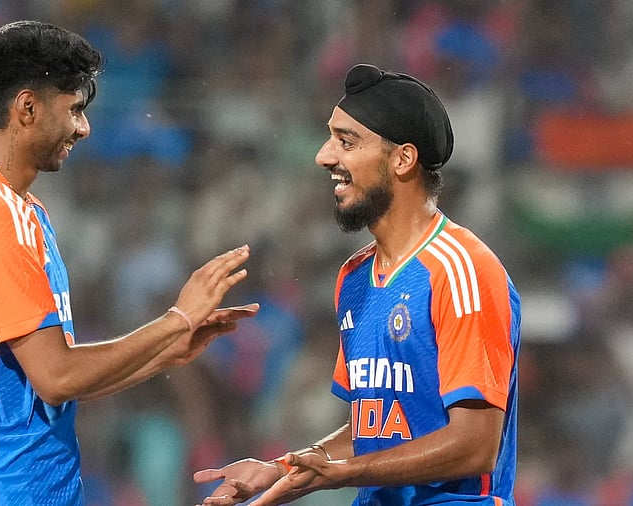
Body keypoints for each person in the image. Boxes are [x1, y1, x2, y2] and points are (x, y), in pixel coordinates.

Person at [0, 21, 258, 505]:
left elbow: (37, 379)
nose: (84, 127)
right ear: (27, 108)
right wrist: (174, 320)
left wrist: (166, 350)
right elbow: (57, 378)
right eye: (74, 109)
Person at [194, 63, 521, 505]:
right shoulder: (354, 277)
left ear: (403, 159)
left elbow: (476, 445)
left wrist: (340, 474)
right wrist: (282, 470)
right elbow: (375, 429)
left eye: (346, 142)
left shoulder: (463, 270)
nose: (324, 156)